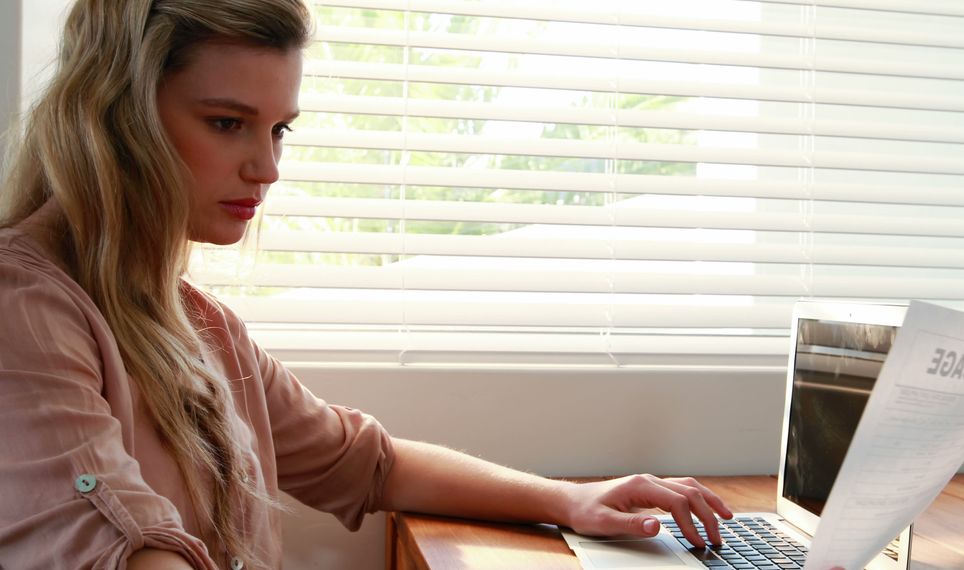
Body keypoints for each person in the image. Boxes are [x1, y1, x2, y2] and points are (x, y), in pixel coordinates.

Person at [0, 1, 733, 568]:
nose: (268, 168)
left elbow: (364, 462)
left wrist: (569, 499)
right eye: (228, 123)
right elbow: (126, 547)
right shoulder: (25, 307)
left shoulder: (195, 325)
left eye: (280, 129)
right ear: (119, 119)